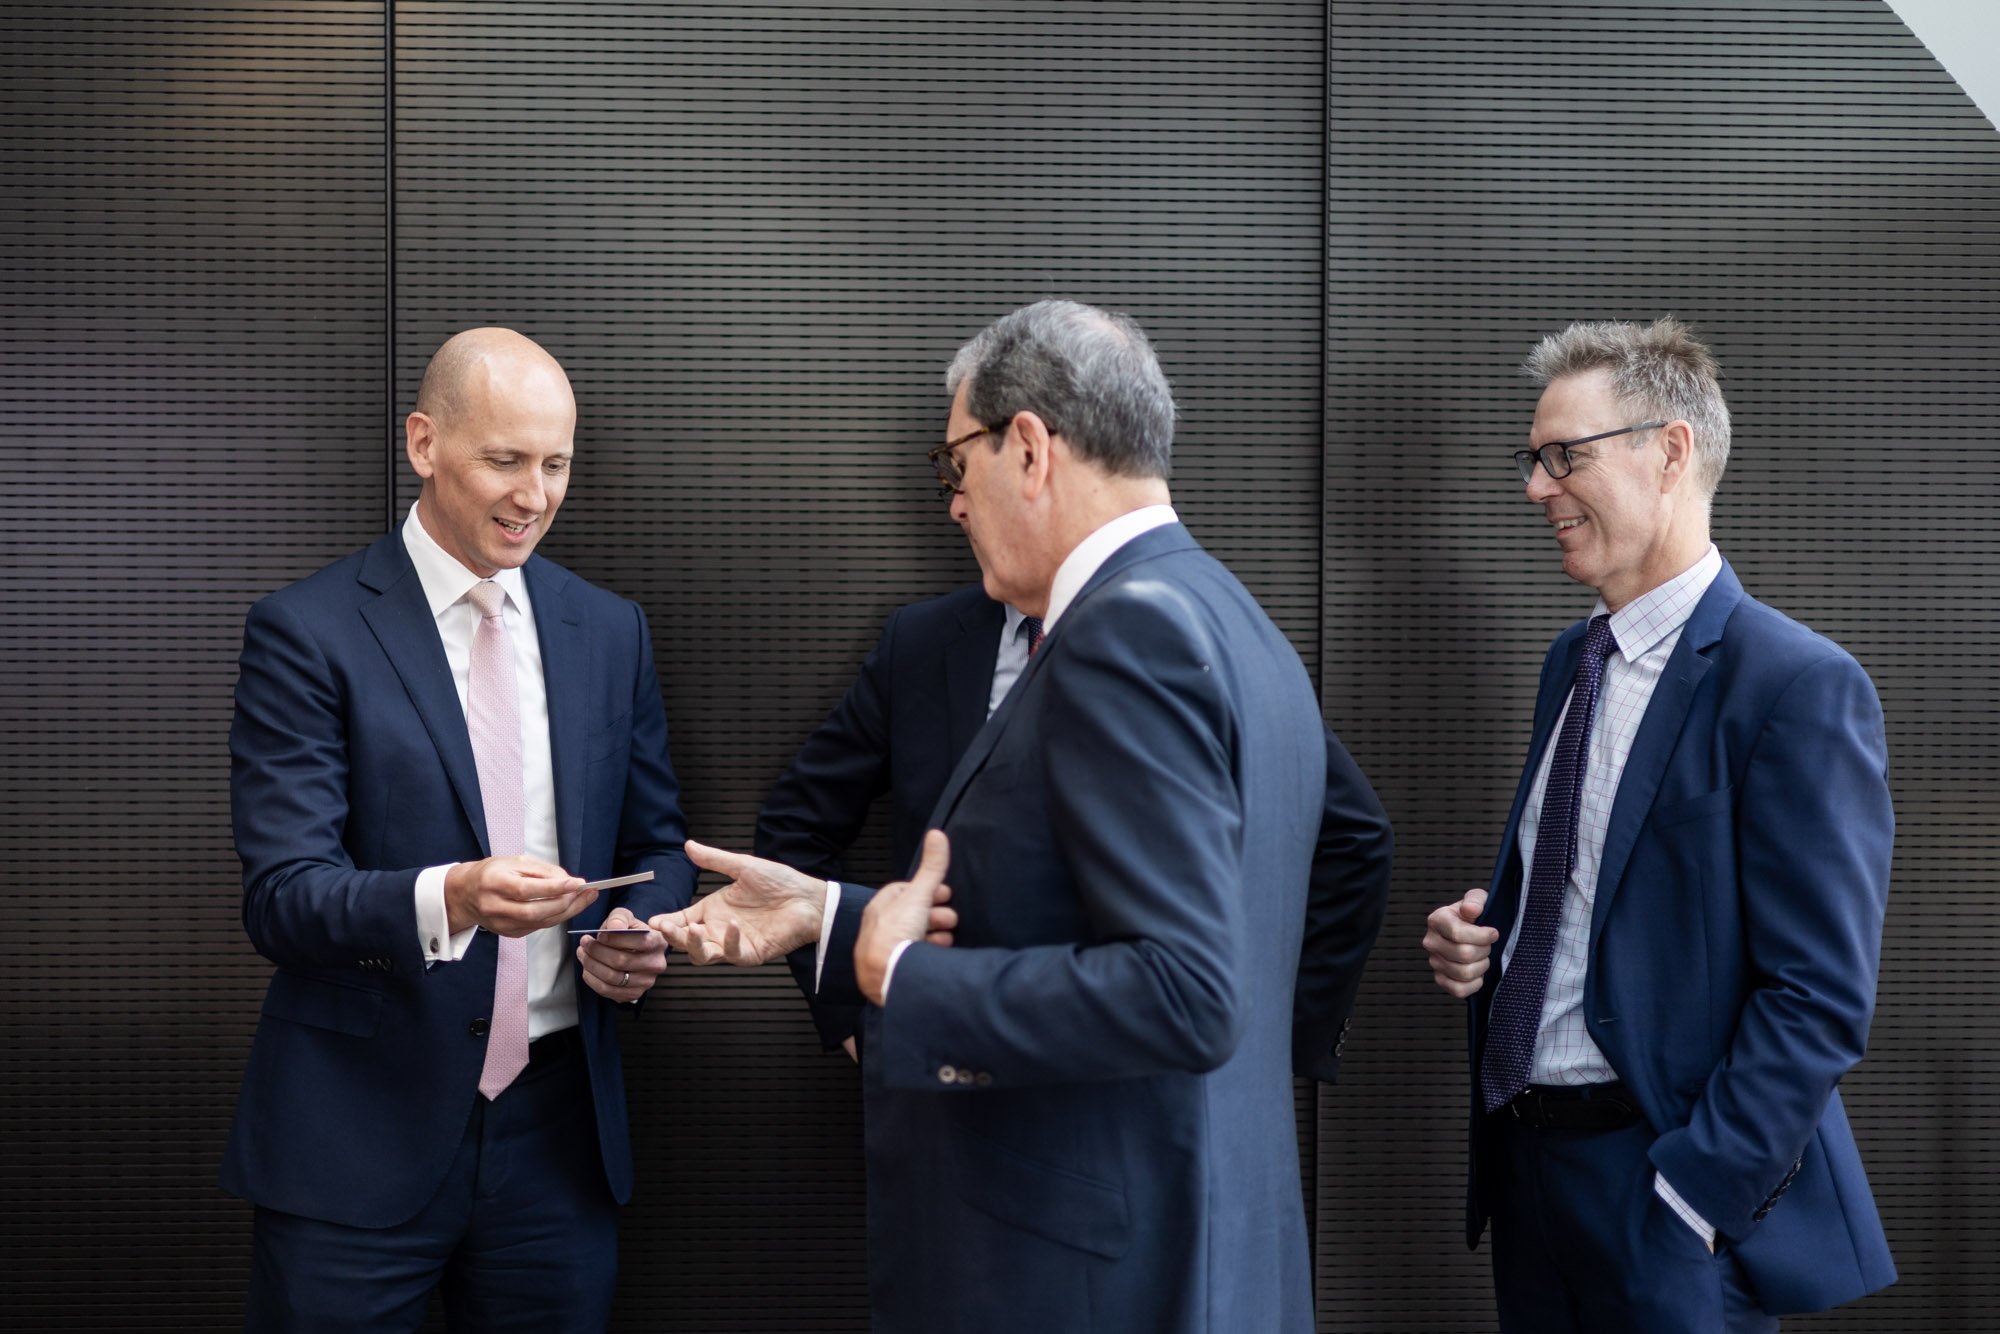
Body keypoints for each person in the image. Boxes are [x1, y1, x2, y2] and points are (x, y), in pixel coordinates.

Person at [653, 299, 1393, 1333]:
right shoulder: (1236, 620)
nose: (954, 503)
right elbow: (1077, 919)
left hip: (1091, 1275)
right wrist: (829, 914)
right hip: (1198, 1246)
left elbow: (1186, 991)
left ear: (1031, 448)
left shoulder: (1124, 633)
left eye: (956, 463)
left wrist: (904, 981)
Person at [1420, 317, 1895, 1331]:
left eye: (1563, 456)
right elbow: (1604, 891)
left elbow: (1818, 992)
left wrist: (1693, 1194)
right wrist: (1487, 936)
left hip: (1663, 1195)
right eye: (1531, 459)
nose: (1535, 488)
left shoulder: (1795, 684)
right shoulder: (1570, 662)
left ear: (1669, 452)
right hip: (1528, 1173)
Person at [222, 328, 695, 1331]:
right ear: (424, 442)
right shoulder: (306, 630)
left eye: (556, 463)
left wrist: (638, 929)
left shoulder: (610, 630)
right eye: (505, 459)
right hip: (354, 1134)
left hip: (559, 1140)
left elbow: (655, 843)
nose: (534, 495)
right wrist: (458, 894)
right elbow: (284, 898)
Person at [754, 581, 1032, 1057]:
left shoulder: (1156, 627)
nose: (961, 520)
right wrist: (855, 1020)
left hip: (1120, 1049)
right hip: (941, 1042)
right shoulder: (924, 637)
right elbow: (796, 823)